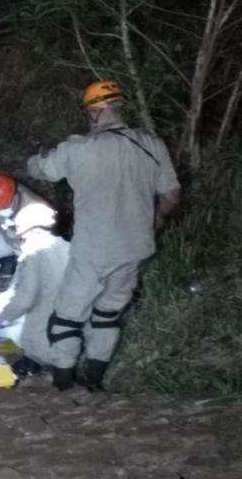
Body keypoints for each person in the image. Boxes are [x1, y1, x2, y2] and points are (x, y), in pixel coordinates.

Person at [25, 79, 181, 391]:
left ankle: (64, 383)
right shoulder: (151, 144)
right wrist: (157, 220)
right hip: (135, 248)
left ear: (97, 111)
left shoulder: (79, 149)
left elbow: (41, 170)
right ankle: (93, 381)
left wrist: (36, 157)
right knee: (108, 314)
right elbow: (172, 195)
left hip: (93, 251)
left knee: (67, 318)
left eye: (89, 113)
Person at [0, 203, 70, 379]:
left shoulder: (34, 255)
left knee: (17, 335)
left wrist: (2, 318)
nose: (21, 239)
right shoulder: (68, 247)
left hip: (45, 341)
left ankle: (36, 363)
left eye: (23, 236)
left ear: (34, 231)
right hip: (73, 333)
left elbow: (25, 299)